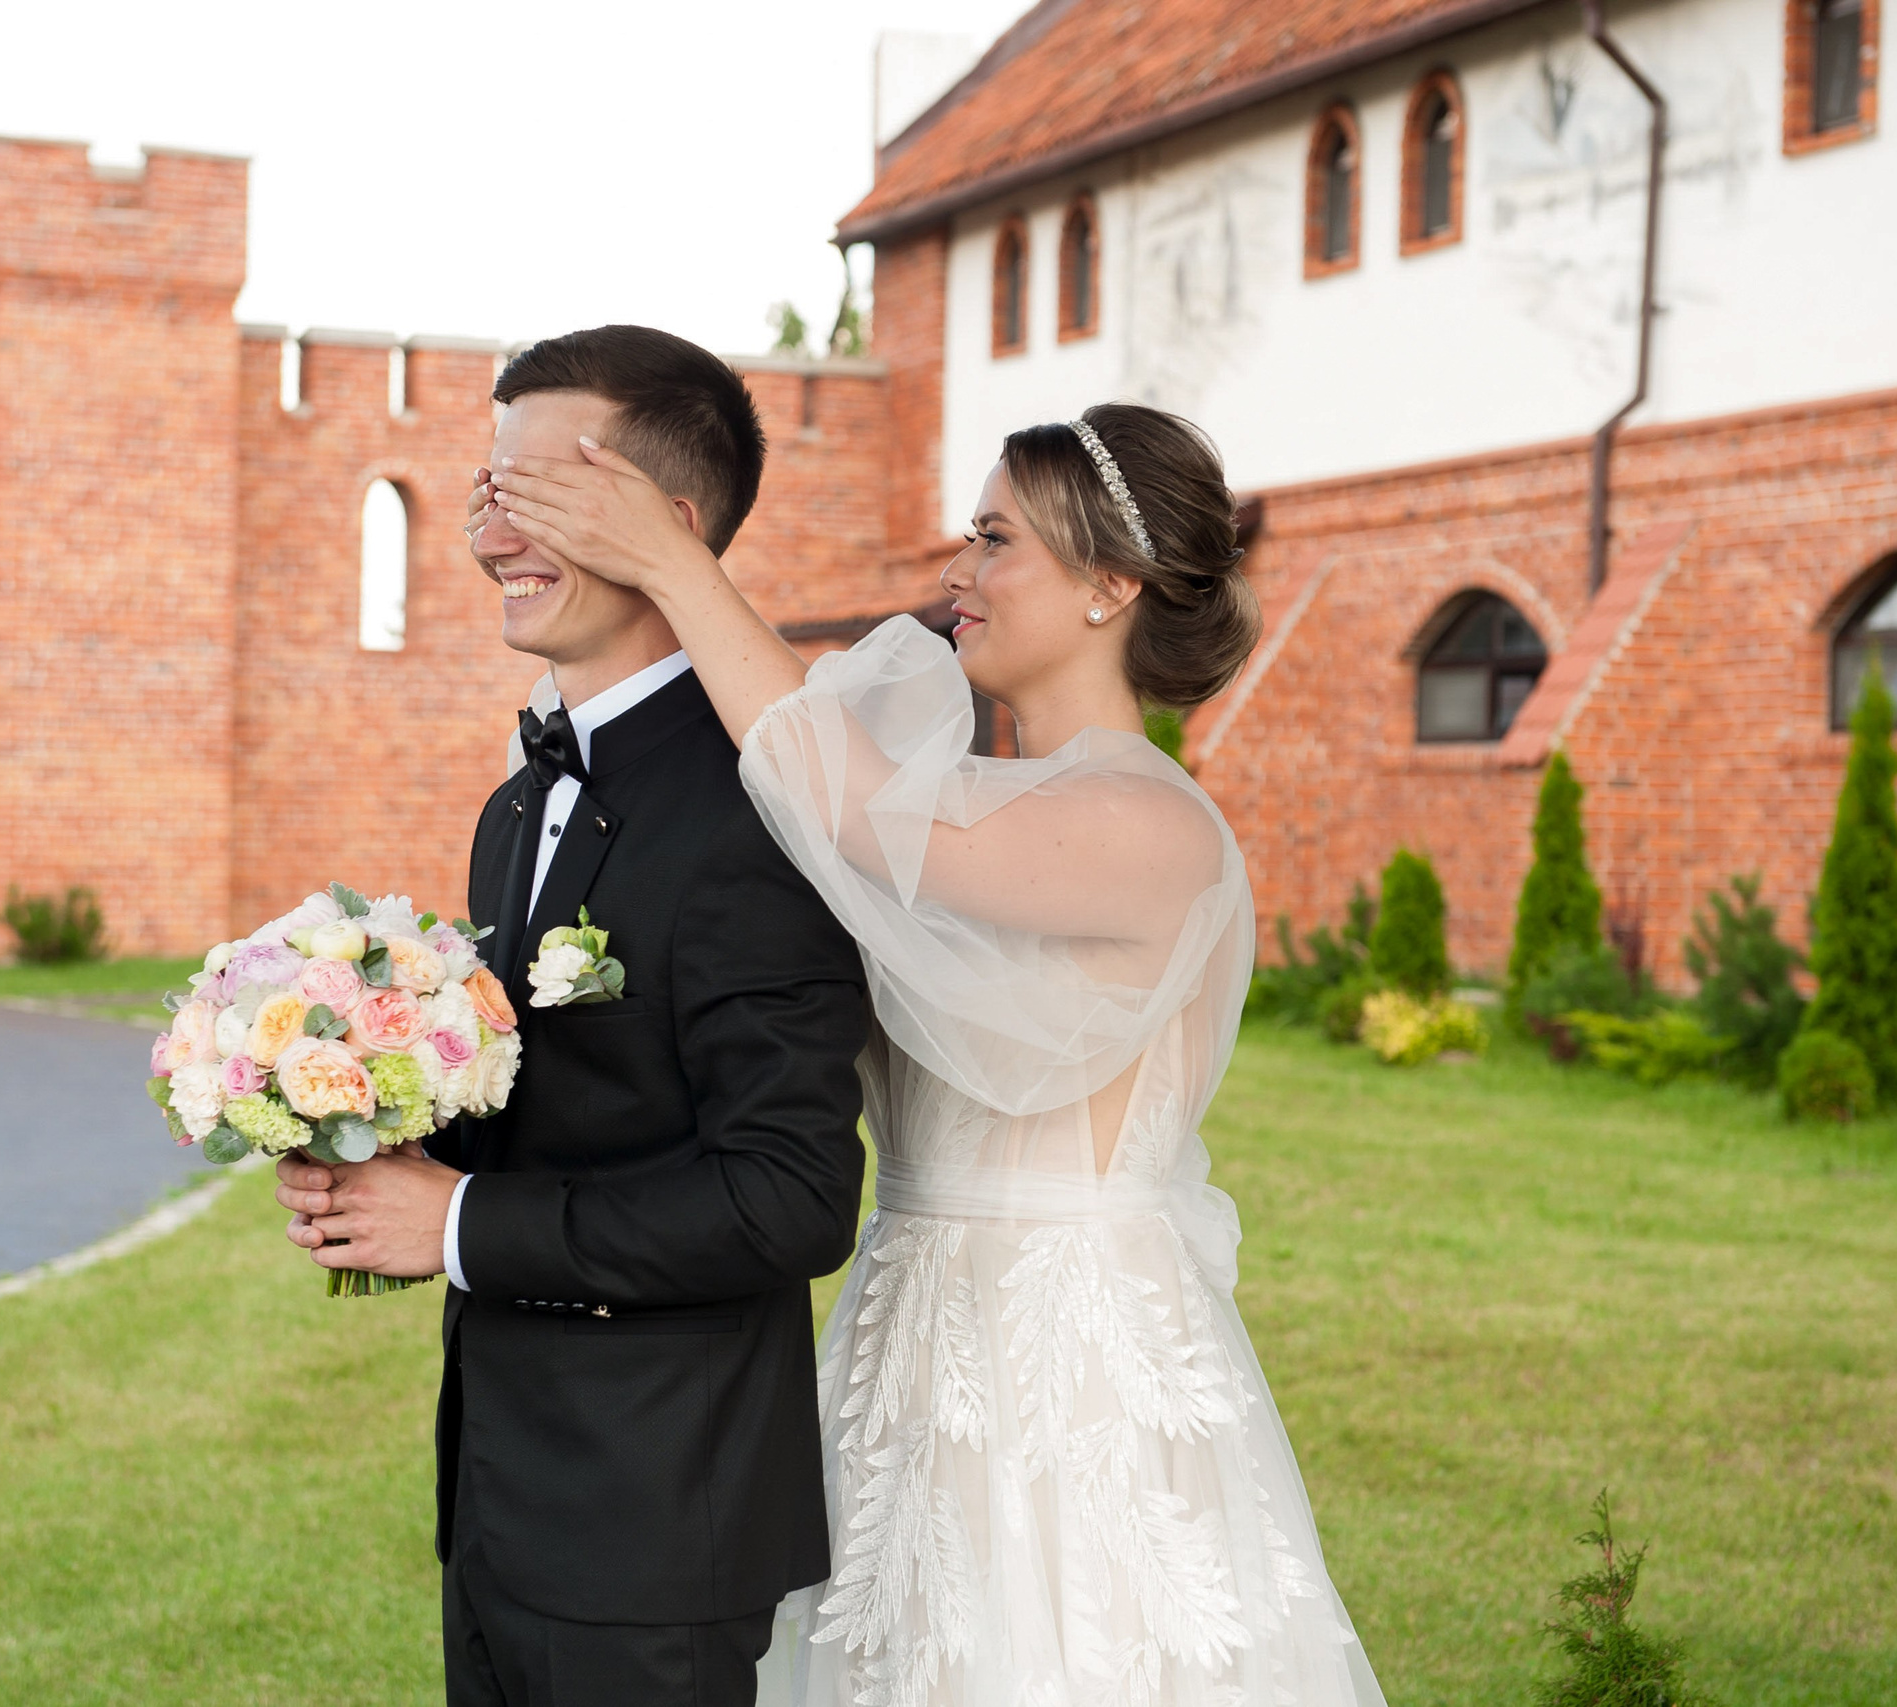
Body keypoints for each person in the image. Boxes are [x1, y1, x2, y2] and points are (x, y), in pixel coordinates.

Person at [481, 402, 1387, 1705]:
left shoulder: (1148, 824)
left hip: (1060, 1373)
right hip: (902, 1338)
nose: (957, 575)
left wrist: (677, 566)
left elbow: (841, 805)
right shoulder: (977, 804)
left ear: (1108, 589)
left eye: (996, 539)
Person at [275, 325, 873, 1707]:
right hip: (502, 1496)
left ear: (666, 521)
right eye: (486, 489)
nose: (491, 532)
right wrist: (375, 1135)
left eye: (535, 491)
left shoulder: (758, 807)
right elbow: (569, 1103)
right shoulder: (519, 800)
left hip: (658, 1525)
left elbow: (793, 1197)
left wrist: (462, 1227)